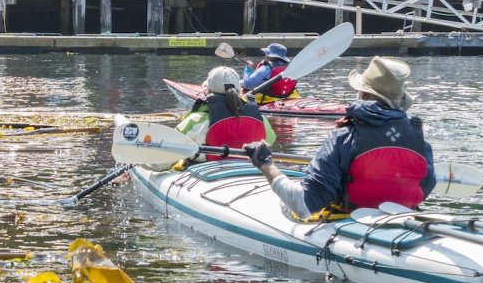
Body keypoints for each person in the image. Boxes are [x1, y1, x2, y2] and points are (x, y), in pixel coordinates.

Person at [243, 56, 436, 220]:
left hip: (349, 221)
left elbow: (303, 206)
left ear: (362, 93)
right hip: (400, 219)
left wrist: (265, 163)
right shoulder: (419, 139)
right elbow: (426, 186)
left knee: (286, 208)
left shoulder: (345, 137)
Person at [175, 67, 275, 160]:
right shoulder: (259, 117)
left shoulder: (197, 119)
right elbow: (271, 139)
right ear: (238, 89)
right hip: (250, 167)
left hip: (209, 169)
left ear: (208, 89)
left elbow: (173, 145)